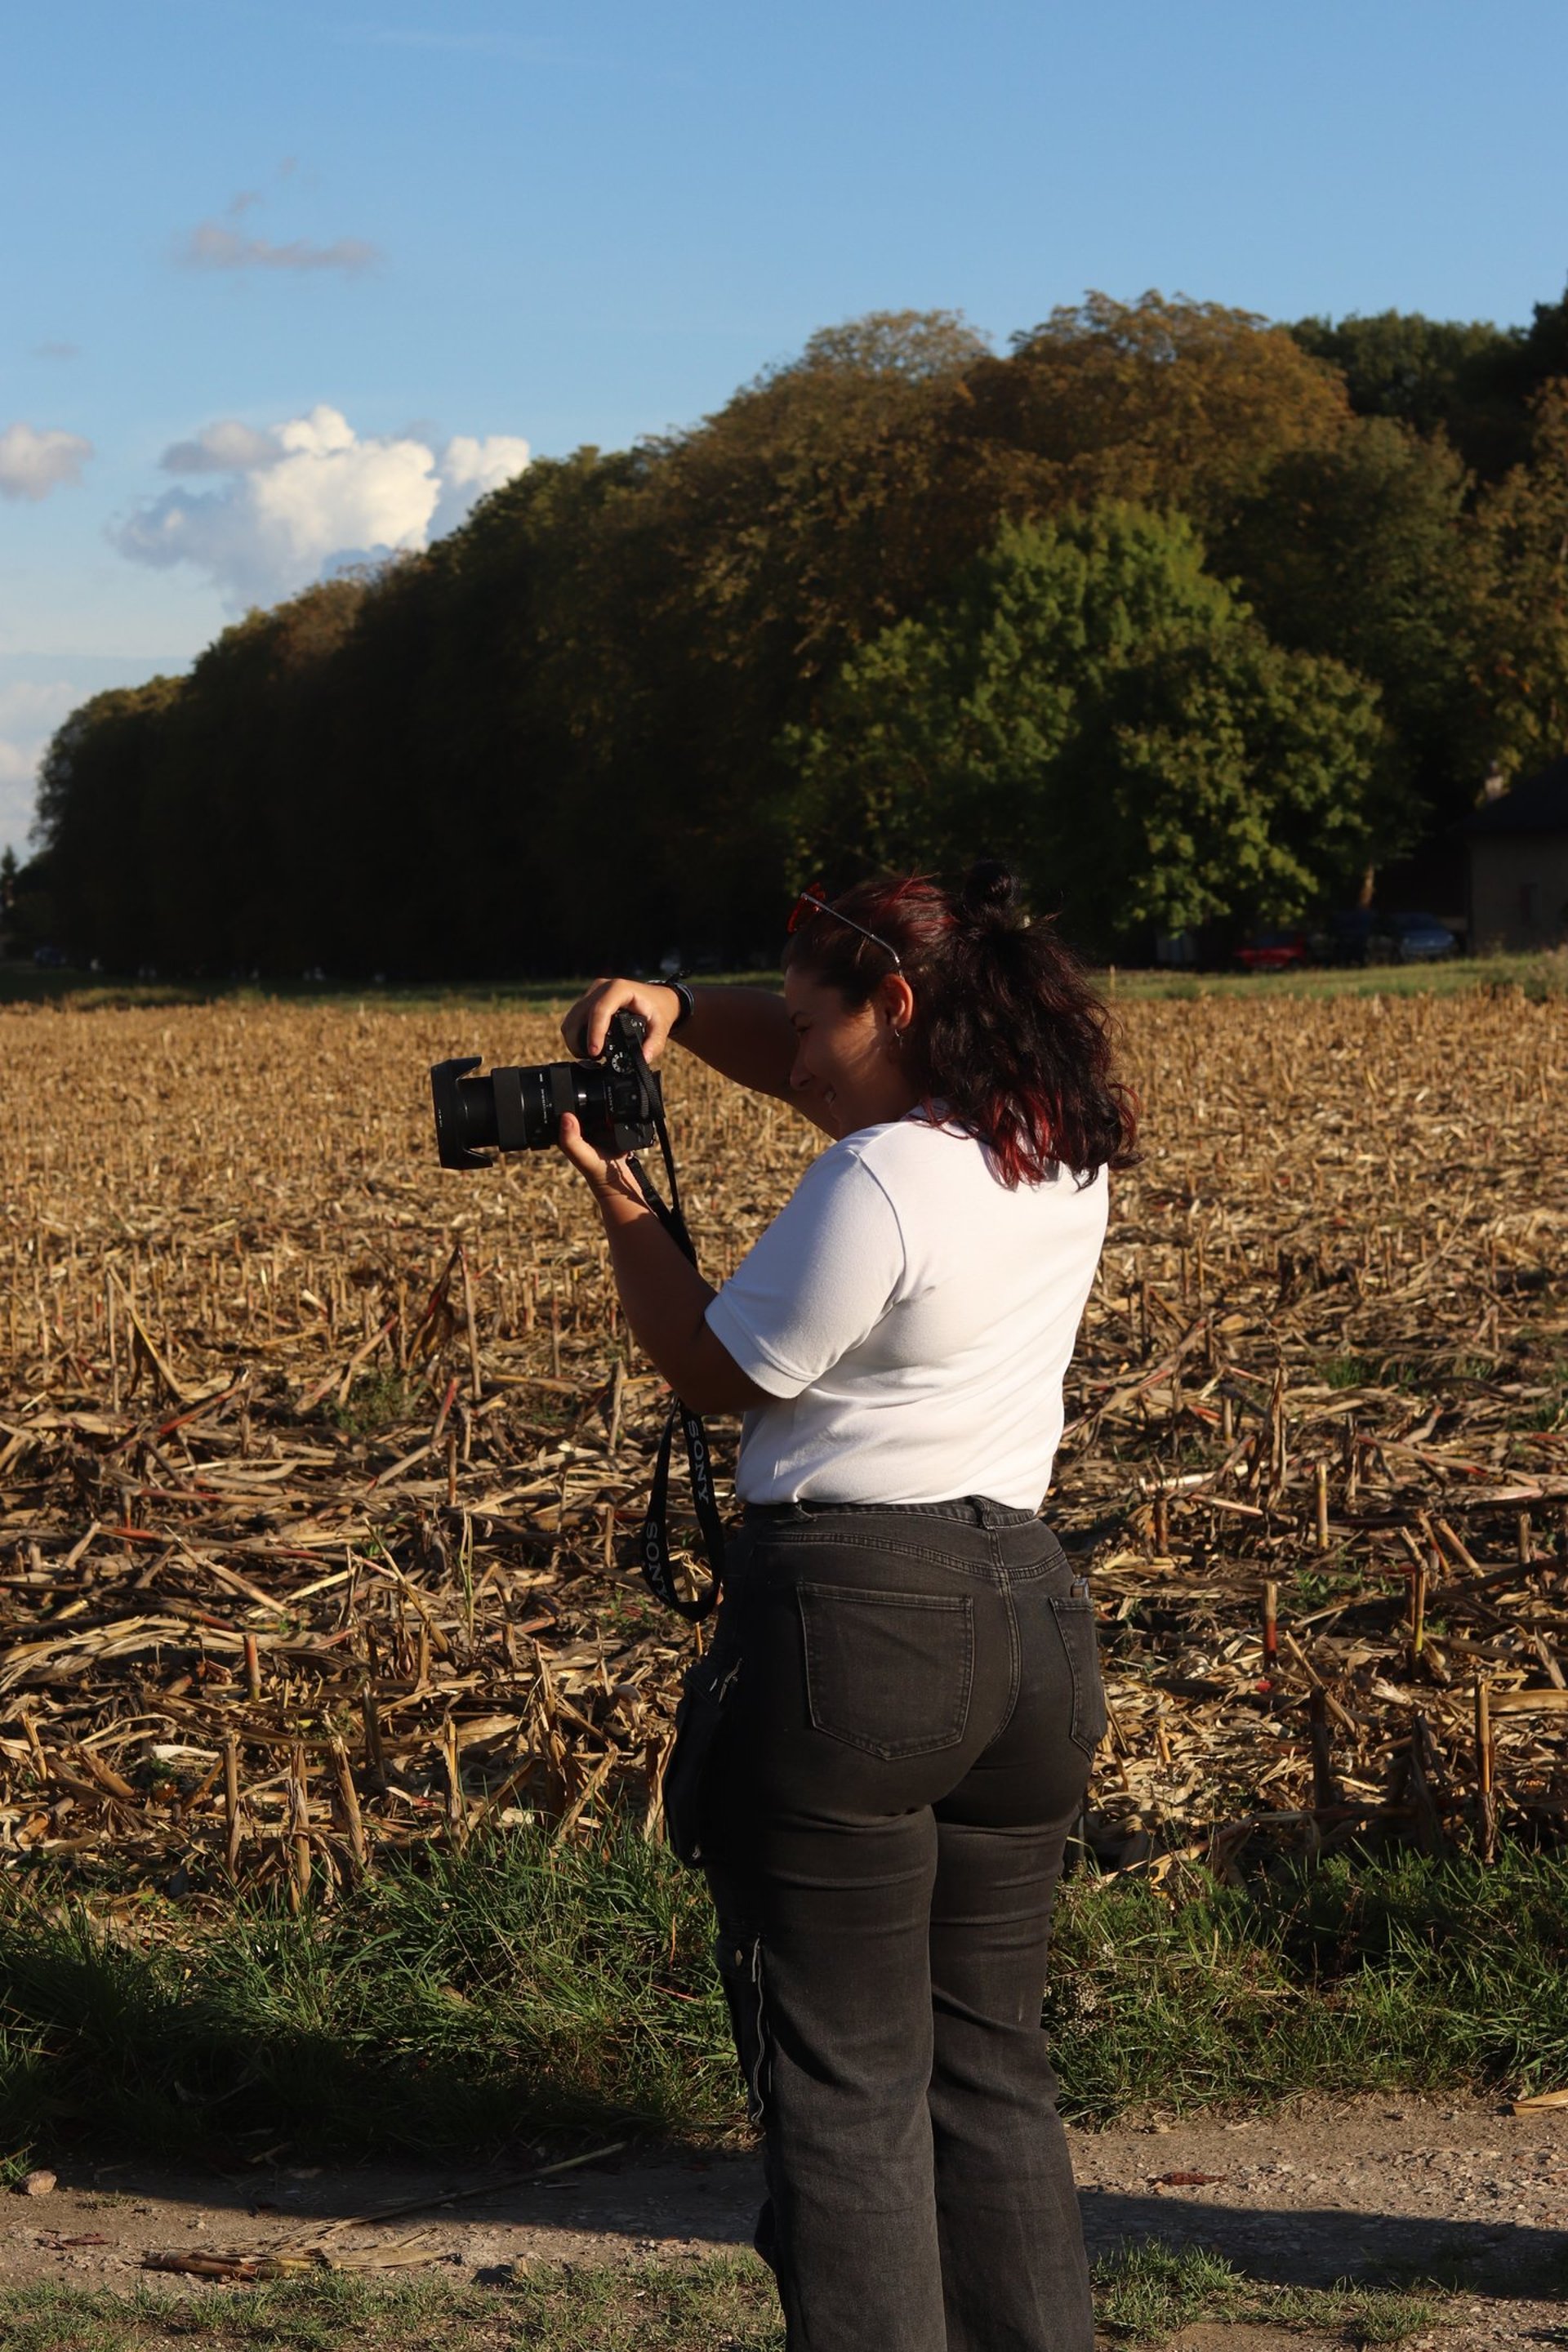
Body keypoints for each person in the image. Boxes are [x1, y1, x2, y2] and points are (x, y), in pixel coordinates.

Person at [555, 862, 1137, 2352]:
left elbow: (716, 1370)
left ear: (897, 1003)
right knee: (992, 2071)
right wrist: (682, 1012)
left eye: (815, 1025)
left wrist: (621, 1204)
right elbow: (823, 1073)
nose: (797, 1063)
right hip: (1031, 1626)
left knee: (848, 2087)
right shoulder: (1053, 1146)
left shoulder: (881, 1178)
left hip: (857, 1631)